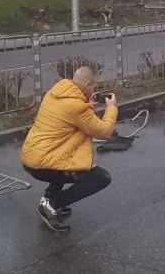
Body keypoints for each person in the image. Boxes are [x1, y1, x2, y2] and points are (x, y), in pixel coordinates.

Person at [20, 66, 118, 232]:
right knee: (101, 178)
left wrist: (88, 105)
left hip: (32, 158)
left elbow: (73, 117)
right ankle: (51, 205)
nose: (94, 89)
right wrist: (111, 108)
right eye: (94, 86)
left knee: (66, 158)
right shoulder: (78, 107)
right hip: (43, 164)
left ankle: (49, 197)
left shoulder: (55, 93)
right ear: (87, 86)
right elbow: (104, 131)